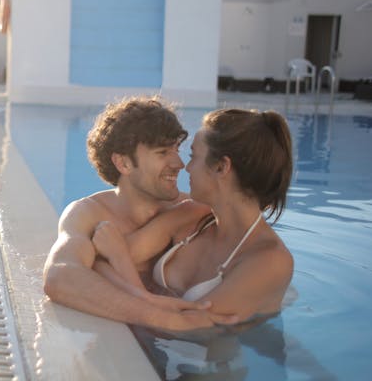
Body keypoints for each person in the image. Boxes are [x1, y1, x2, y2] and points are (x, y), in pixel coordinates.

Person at [43, 96, 235, 331]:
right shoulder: (89, 214)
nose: (178, 163)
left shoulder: (194, 211)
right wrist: (168, 318)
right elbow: (60, 278)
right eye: (163, 152)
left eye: (177, 149)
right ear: (123, 164)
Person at [92, 108, 294, 324]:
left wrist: (121, 260)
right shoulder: (190, 217)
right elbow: (99, 262)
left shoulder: (270, 261)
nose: (185, 167)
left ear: (221, 167)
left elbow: (187, 328)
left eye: (193, 157)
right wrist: (149, 299)